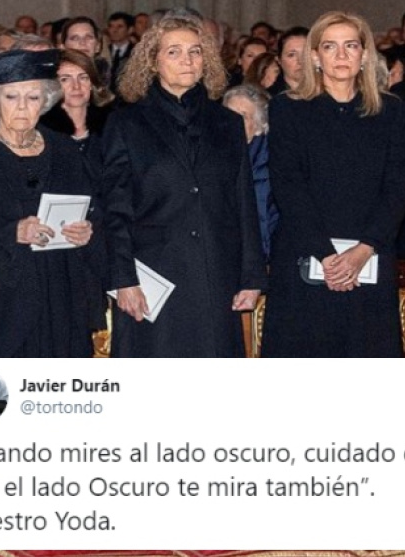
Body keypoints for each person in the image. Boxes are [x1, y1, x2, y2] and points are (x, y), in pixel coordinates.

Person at [104, 12, 266, 357]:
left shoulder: (227, 123)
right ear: (153, 61)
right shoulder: (126, 124)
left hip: (215, 273)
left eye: (195, 51)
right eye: (174, 52)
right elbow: (115, 209)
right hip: (153, 277)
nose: (187, 60)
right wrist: (124, 278)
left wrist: (251, 276)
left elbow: (243, 201)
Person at [261, 11, 405, 357]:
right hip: (305, 255)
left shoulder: (389, 110)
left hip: (369, 257)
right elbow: (288, 185)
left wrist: (365, 249)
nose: (341, 55)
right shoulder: (288, 108)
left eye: (350, 46)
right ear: (315, 56)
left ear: (364, 55)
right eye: (330, 46)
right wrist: (327, 256)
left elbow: (397, 185)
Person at [0, 49, 103, 357]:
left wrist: (87, 231)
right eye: (11, 97)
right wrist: (11, 232)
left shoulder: (65, 151)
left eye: (33, 97)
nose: (22, 106)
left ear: (46, 101)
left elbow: (94, 209)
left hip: (61, 297)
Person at [223, 84, 279, 261]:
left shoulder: (271, 162)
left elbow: (265, 219)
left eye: (242, 116)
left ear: (259, 125)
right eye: (227, 114)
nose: (232, 121)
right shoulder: (212, 156)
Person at [39, 48, 115, 175]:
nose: (76, 86)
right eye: (65, 79)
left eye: (83, 78)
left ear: (92, 84)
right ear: (53, 86)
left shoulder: (112, 126)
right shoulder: (41, 130)